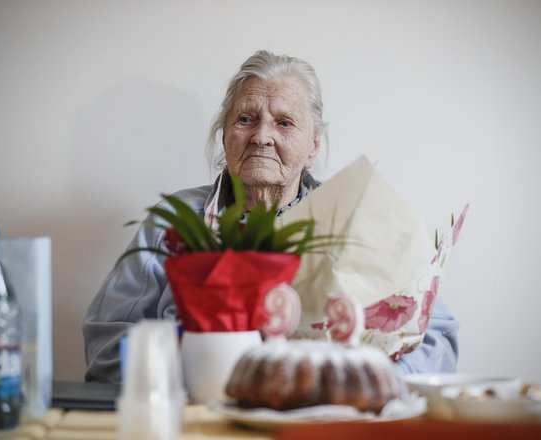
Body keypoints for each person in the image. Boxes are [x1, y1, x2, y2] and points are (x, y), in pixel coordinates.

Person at [82, 50, 459, 383]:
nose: (262, 136)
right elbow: (106, 341)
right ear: (225, 134)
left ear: (313, 146)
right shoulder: (175, 222)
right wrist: (203, 374)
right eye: (246, 119)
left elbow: (437, 340)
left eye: (284, 123)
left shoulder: (355, 214)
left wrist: (363, 382)